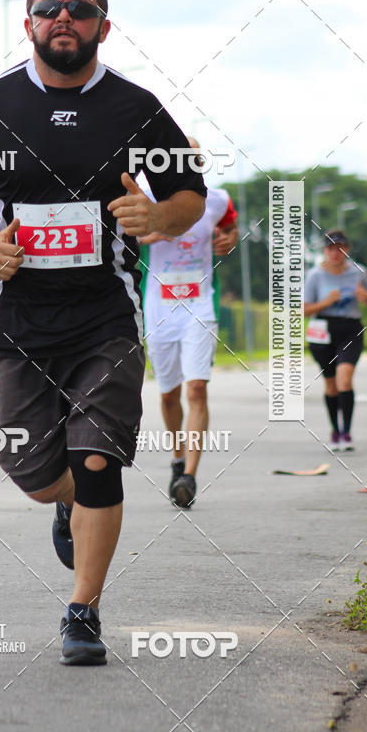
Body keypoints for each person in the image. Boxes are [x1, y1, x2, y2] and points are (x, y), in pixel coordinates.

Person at [0, 0, 206, 665]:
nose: (64, 18)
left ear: (103, 27)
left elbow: (189, 197)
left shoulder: (136, 108)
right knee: (33, 470)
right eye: (49, 8)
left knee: (97, 460)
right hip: (18, 321)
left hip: (104, 318)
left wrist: (158, 217)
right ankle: (63, 500)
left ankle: (83, 611)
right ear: (27, 23)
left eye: (80, 10)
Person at [137, 145, 238, 507]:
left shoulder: (217, 199)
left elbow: (230, 229)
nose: (187, 163)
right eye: (178, 157)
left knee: (196, 388)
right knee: (169, 394)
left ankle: (189, 477)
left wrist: (229, 239)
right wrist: (144, 236)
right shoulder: (144, 197)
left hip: (199, 302)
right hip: (158, 306)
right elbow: (116, 236)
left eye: (193, 158)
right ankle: (177, 457)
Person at [304, 230, 367, 451]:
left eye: (340, 248)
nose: (336, 252)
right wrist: (326, 302)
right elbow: (304, 310)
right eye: (331, 248)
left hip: (350, 329)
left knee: (345, 379)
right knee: (331, 385)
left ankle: (346, 432)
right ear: (324, 251)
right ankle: (335, 429)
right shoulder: (315, 275)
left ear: (347, 249)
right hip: (322, 331)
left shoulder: (358, 272)